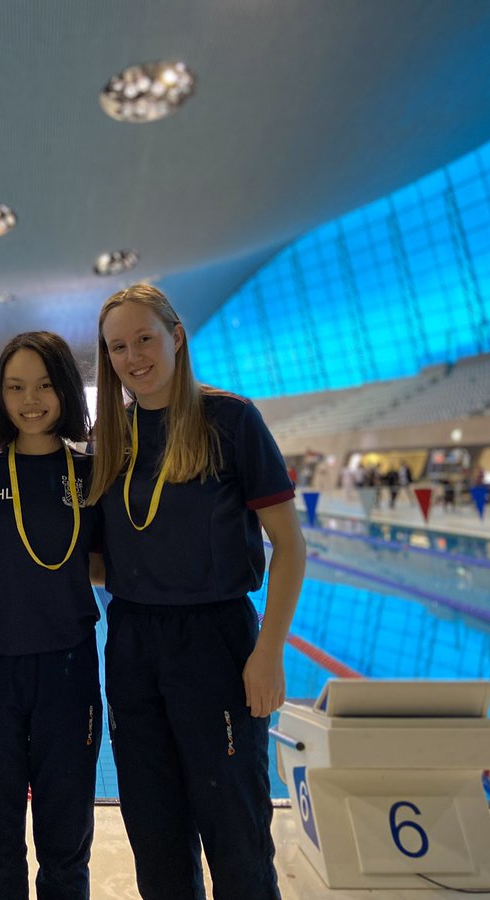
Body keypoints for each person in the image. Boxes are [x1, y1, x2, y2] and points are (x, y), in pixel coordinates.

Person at [88, 284, 305, 899]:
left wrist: (269, 652)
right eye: (118, 347)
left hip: (217, 641)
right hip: (132, 644)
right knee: (154, 835)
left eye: (144, 339)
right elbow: (104, 560)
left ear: (176, 335)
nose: (133, 357)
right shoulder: (114, 436)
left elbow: (289, 546)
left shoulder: (231, 420)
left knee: (235, 833)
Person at [0, 331, 102, 898]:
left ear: (65, 389)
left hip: (69, 670)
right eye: (15, 387)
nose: (29, 398)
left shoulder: (90, 476)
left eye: (43, 384)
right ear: (0, 397)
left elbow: (110, 567)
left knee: (66, 836)